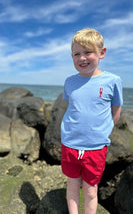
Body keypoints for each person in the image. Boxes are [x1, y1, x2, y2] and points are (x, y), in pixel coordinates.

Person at [61, 28, 123, 214]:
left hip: (95, 147)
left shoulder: (112, 81)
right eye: (77, 54)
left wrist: (102, 132)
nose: (82, 58)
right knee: (72, 185)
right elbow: (73, 109)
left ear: (102, 53)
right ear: (71, 56)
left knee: (90, 189)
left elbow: (116, 110)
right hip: (70, 144)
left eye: (88, 52)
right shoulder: (69, 82)